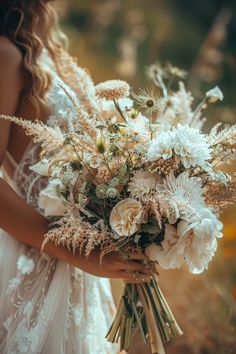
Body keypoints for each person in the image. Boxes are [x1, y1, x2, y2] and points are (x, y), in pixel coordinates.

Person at [0, 1, 152, 353]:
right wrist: (79, 252)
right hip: (39, 262)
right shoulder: (5, 53)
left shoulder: (48, 44)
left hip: (81, 270)